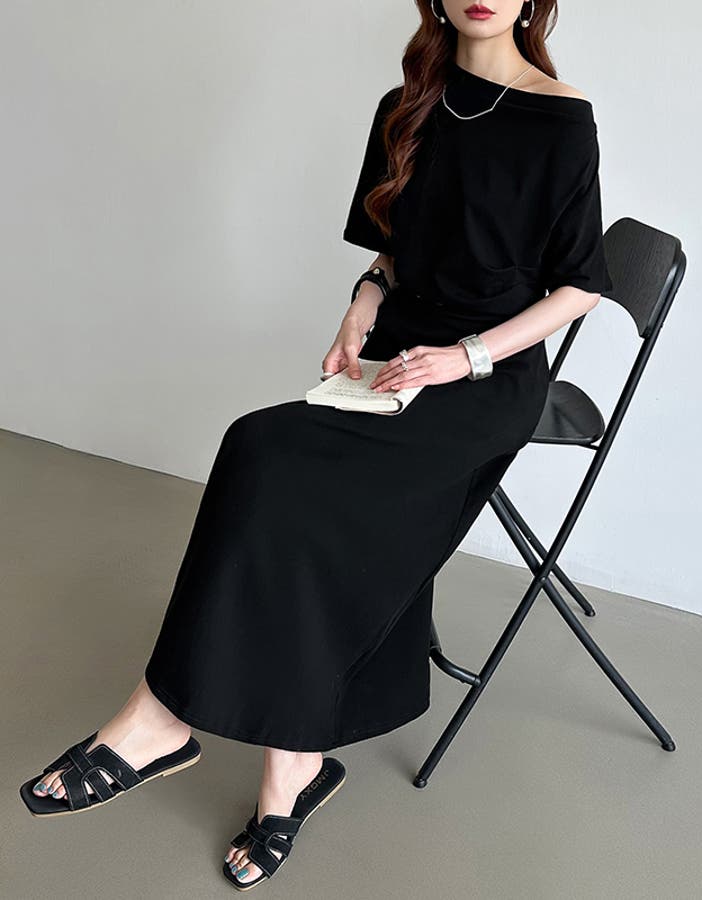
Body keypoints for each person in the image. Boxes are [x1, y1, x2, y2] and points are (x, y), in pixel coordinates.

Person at [19, 0, 614, 891]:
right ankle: (277, 756)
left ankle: (176, 726)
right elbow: (391, 252)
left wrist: (465, 358)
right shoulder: (407, 104)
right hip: (398, 356)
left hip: (486, 379)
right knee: (260, 449)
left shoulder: (562, 120)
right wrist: (361, 308)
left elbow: (579, 288)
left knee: (296, 482)